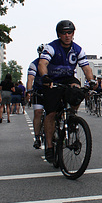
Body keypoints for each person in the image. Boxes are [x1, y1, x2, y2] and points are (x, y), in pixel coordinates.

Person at [37, 20, 96, 162]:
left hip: (68, 79)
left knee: (78, 91)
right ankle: (50, 146)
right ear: (59, 34)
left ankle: (72, 117)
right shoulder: (51, 48)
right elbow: (42, 63)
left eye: (70, 33)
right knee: (51, 114)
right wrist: (45, 77)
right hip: (52, 81)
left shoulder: (77, 49)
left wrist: (91, 80)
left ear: (73, 34)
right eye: (64, 33)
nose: (67, 36)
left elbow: (86, 67)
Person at [26, 44, 46, 149]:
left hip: (51, 91)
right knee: (38, 112)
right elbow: (30, 79)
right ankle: (37, 137)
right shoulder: (34, 64)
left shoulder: (53, 63)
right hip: (39, 90)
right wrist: (29, 91)